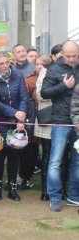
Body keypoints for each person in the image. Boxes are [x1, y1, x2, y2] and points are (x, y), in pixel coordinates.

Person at [41, 40, 79, 212]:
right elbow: (44, 93)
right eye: (69, 56)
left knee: (77, 161)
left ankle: (74, 197)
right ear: (62, 54)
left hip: (78, 123)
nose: (72, 59)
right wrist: (64, 86)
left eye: (75, 56)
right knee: (55, 161)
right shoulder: (54, 69)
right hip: (61, 121)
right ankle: (54, 197)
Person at [0, 51, 28, 201]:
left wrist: (21, 119)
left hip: (17, 122)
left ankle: (12, 189)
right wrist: (14, 113)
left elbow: (24, 97)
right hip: (1, 120)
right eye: (1, 63)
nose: (5, 66)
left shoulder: (18, 75)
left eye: (7, 62)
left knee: (14, 156)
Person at [35, 50, 68, 201]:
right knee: (48, 154)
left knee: (65, 155)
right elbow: (40, 94)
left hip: (66, 117)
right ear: (54, 57)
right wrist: (61, 88)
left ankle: (62, 188)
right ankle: (46, 190)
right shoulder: (46, 70)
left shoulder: (72, 70)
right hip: (48, 116)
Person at [18, 54, 52, 191]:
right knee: (29, 151)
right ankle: (27, 177)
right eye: (37, 64)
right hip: (32, 119)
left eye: (42, 64)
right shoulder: (30, 80)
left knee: (47, 152)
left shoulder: (52, 79)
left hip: (48, 118)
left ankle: (49, 182)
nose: (39, 66)